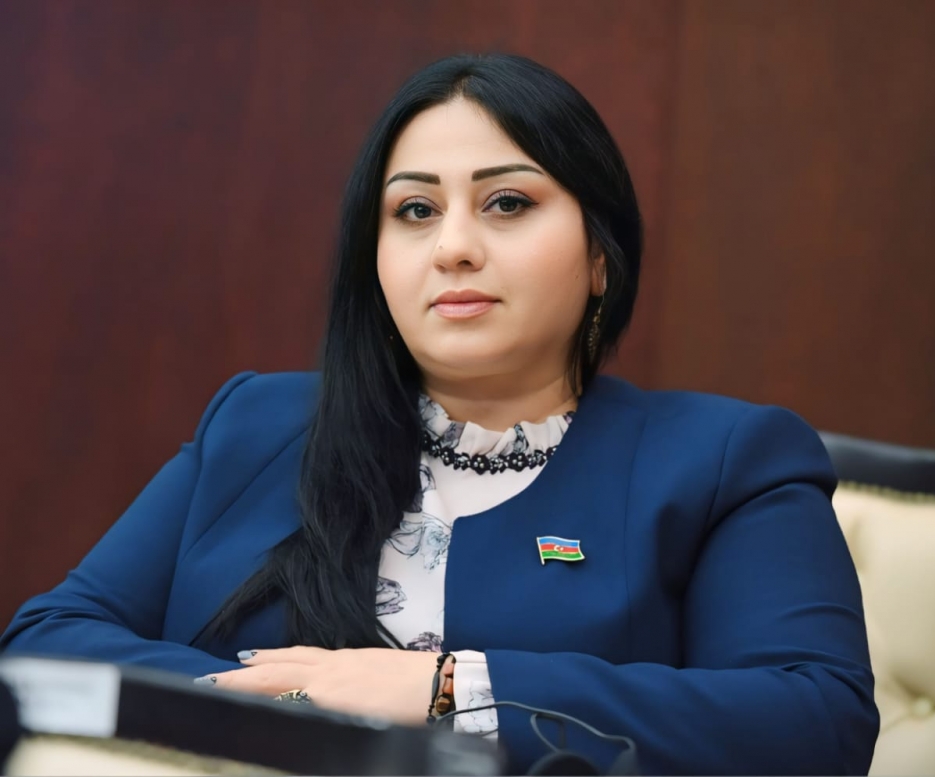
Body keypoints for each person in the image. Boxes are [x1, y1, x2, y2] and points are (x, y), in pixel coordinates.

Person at [0, 53, 878, 774]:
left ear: (600, 255)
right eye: (415, 210)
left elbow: (815, 721)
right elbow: (45, 641)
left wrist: (445, 689)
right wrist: (298, 711)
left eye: (508, 202)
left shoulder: (726, 460)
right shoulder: (255, 426)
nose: (454, 246)